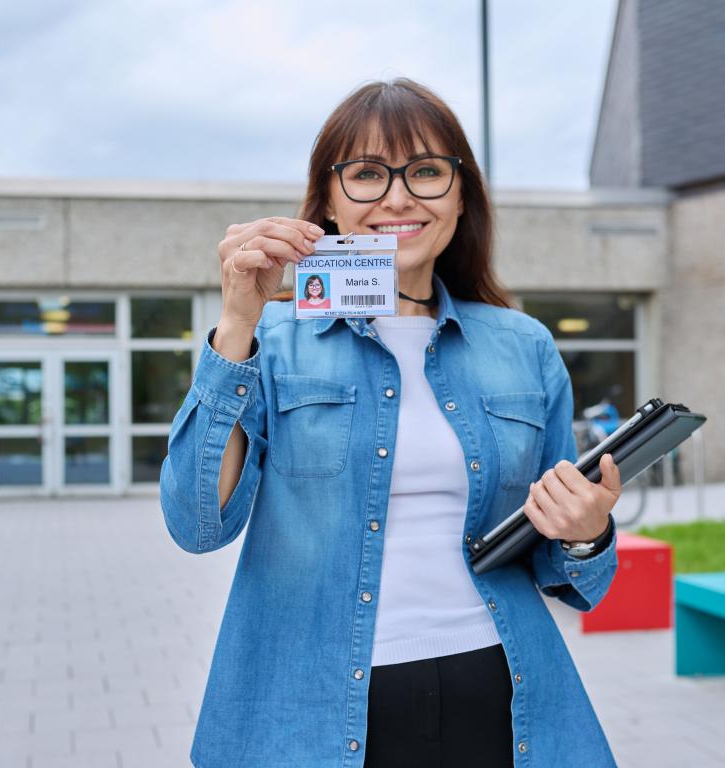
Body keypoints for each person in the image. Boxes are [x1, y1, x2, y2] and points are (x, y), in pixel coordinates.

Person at [160, 78, 623, 768]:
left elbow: (563, 568)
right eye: (368, 174)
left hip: (501, 691)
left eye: (428, 172)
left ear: (461, 197)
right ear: (325, 202)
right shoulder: (272, 340)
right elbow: (197, 523)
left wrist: (588, 533)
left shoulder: (521, 345)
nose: (399, 197)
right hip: (310, 712)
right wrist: (237, 323)